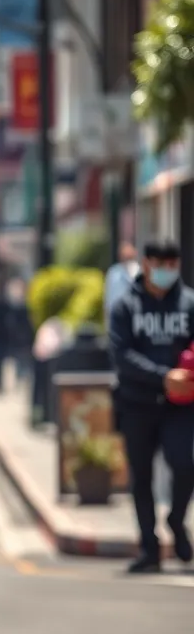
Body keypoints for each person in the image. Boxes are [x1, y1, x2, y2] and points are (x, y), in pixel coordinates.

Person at [107, 238, 194, 574]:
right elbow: (122, 356)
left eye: (173, 265)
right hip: (137, 404)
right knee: (141, 478)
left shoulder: (188, 303)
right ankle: (149, 547)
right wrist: (162, 376)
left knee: (184, 464)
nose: (166, 272)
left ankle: (175, 519)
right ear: (146, 265)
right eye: (161, 265)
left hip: (180, 406)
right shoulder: (125, 307)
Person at [104, 241, 140, 324]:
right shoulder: (113, 272)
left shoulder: (139, 272)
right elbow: (108, 298)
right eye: (124, 255)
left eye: (128, 255)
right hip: (117, 316)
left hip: (135, 317)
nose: (126, 257)